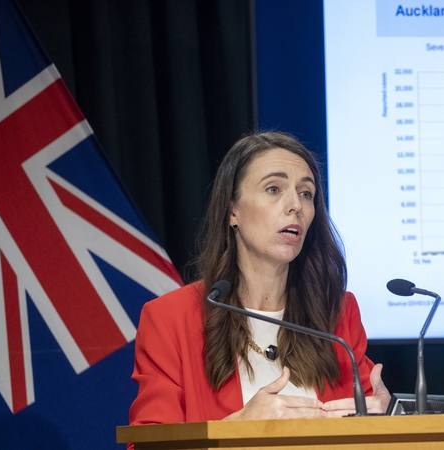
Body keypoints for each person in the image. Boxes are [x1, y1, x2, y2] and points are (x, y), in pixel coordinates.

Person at [128, 131, 390, 429]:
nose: (296, 205)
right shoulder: (170, 319)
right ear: (232, 211)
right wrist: (238, 429)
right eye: (274, 189)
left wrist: (387, 422)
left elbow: (370, 425)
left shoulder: (337, 313)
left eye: (306, 193)